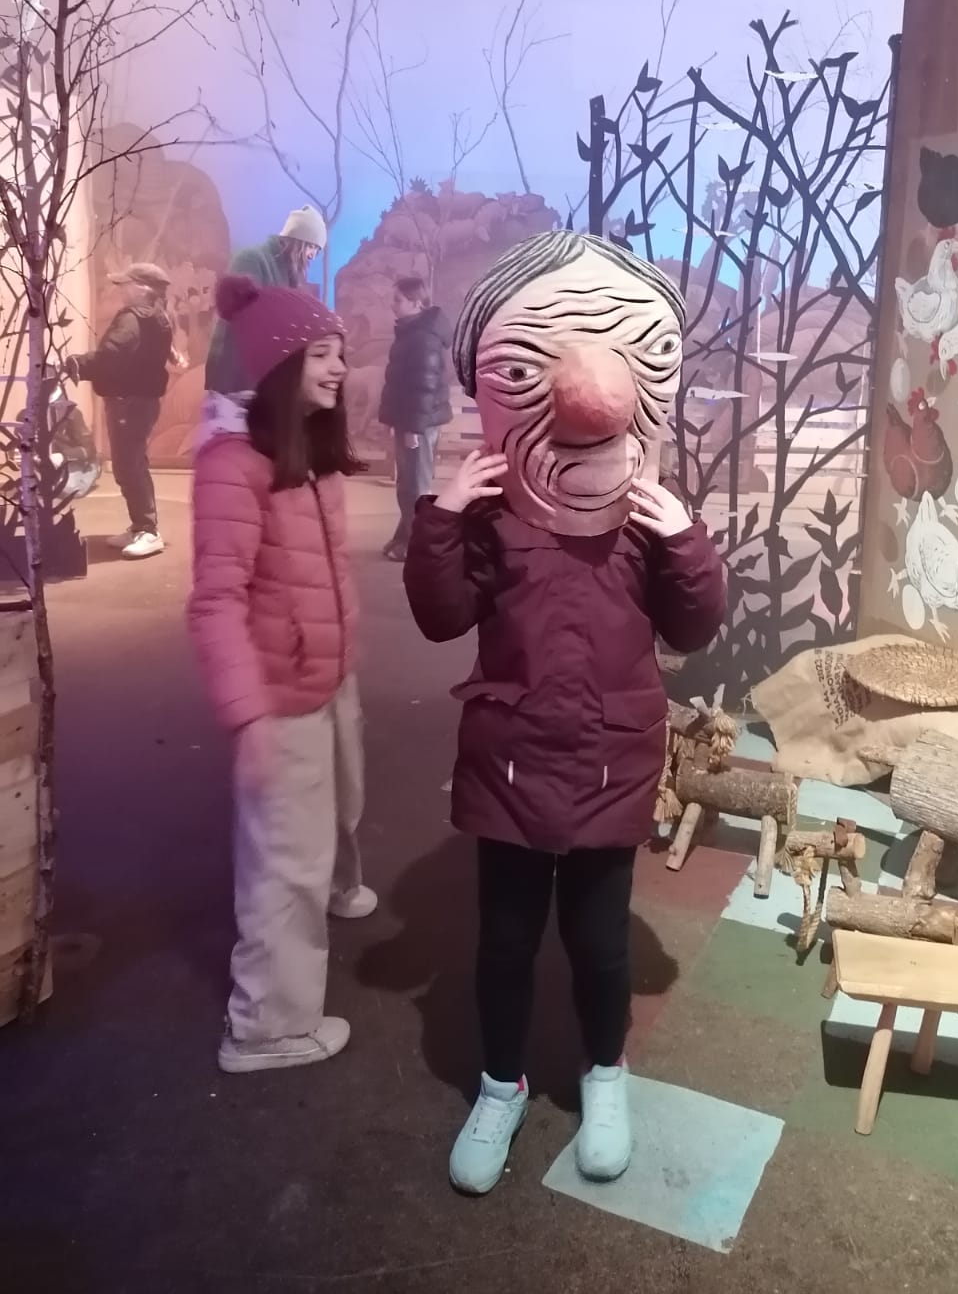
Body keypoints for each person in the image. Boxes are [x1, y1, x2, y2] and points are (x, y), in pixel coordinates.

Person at [403, 231, 726, 1196]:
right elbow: (440, 616)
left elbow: (694, 625)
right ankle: (499, 1086)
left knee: (599, 940)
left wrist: (686, 540)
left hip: (609, 759)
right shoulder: (493, 513)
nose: (596, 399)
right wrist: (443, 517)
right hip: (510, 757)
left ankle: (605, 1076)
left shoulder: (645, 516)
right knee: (504, 939)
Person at [187, 273, 377, 1076]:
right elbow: (215, 603)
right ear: (280, 363)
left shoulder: (313, 455)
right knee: (282, 861)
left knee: (342, 804)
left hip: (330, 676)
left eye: (341, 354)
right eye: (322, 355)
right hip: (280, 694)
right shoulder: (234, 467)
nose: (339, 370)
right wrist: (249, 714)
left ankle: (337, 887)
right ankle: (266, 1026)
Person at [68, 261, 174, 560]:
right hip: (141, 401)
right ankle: (140, 525)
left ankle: (148, 531)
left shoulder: (132, 318)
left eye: (125, 284)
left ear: (142, 288)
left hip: (129, 402)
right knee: (132, 463)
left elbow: (112, 354)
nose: (121, 290)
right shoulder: (158, 316)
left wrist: (77, 364)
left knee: (129, 466)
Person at [203, 205, 327, 399]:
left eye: (317, 251)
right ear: (298, 241)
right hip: (234, 377)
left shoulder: (290, 276)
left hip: (260, 381)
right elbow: (242, 317)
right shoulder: (252, 259)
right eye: (311, 247)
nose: (312, 255)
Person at [378, 274, 452, 562]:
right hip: (411, 422)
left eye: (398, 300)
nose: (392, 305)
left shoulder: (423, 338)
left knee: (418, 487)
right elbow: (402, 383)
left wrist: (412, 428)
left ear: (416, 303)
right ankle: (404, 537)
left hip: (419, 425)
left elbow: (424, 386)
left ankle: (419, 546)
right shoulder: (412, 333)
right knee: (407, 485)